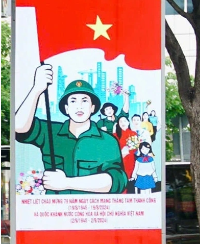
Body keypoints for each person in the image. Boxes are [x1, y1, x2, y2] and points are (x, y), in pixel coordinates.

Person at [14, 66, 127, 194]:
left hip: (92, 211)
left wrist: (66, 183)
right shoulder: (50, 132)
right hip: (53, 212)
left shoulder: (108, 141)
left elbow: (117, 180)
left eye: (84, 101)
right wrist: (37, 88)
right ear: (66, 109)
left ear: (92, 108)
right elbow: (18, 126)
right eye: (73, 101)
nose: (79, 106)